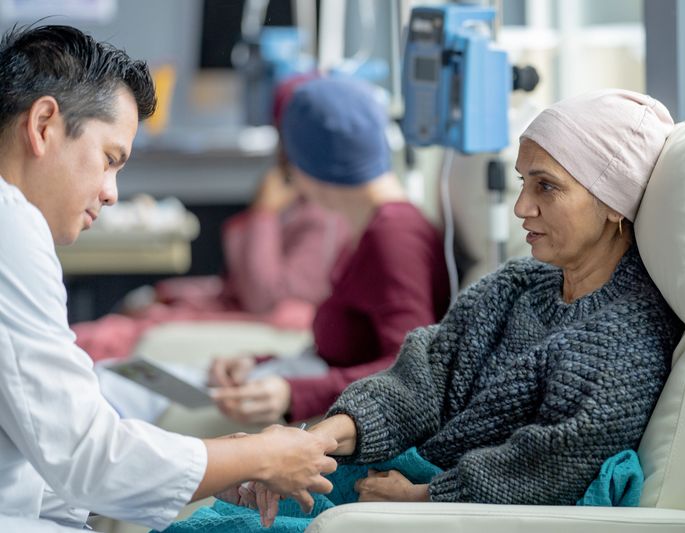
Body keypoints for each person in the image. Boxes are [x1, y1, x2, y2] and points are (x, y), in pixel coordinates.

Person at [0, 24, 336, 531]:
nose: (111, 193)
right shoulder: (11, 225)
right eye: (110, 160)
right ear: (45, 123)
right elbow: (85, 456)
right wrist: (258, 457)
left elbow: (44, 464)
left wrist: (213, 461)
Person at [305, 89, 685, 506]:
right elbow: (421, 378)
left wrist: (418, 499)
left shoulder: (626, 341)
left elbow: (550, 467)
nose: (522, 206)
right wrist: (324, 436)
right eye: (523, 183)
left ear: (614, 201)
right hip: (390, 473)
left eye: (546, 187)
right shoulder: (516, 283)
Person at [209, 77, 451, 425]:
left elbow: (411, 370)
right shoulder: (371, 228)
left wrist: (294, 394)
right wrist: (259, 365)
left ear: (301, 164)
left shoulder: (393, 238)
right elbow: (346, 354)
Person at [71, 73, 350, 362]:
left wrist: (263, 214)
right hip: (226, 311)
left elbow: (263, 297)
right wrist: (172, 294)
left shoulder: (323, 214)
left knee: (92, 342)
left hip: (248, 327)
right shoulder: (296, 197)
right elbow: (237, 286)